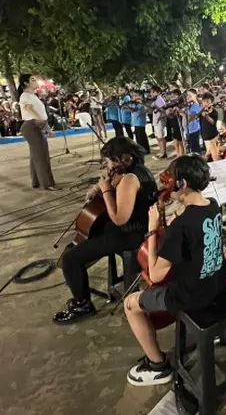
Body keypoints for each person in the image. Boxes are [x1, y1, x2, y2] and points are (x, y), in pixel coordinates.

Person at [123, 155, 226, 386]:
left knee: (130, 304)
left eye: (170, 180)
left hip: (193, 296)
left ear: (181, 185)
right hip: (218, 284)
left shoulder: (180, 226)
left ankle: (157, 366)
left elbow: (155, 274)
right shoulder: (213, 205)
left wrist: (152, 231)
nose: (166, 184)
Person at [54, 137, 157, 324]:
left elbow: (119, 218)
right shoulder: (140, 170)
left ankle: (82, 304)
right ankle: (81, 266)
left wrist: (106, 190)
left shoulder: (129, 180)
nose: (106, 165)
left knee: (70, 258)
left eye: (108, 160)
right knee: (91, 231)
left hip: (129, 234)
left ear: (119, 160)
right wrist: (98, 187)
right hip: (136, 228)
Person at [18, 74, 57, 190]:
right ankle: (47, 183)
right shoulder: (25, 96)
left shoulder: (33, 96)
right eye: (33, 80)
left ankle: (36, 181)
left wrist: (48, 128)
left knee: (36, 154)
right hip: (31, 126)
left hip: (36, 125)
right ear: (26, 83)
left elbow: (41, 115)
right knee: (41, 155)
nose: (35, 82)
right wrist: (38, 117)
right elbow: (29, 108)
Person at [198, 92, 221, 161]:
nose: (205, 103)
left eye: (207, 101)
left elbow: (213, 122)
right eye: (204, 101)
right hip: (205, 136)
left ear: (211, 102)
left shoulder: (214, 111)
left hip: (212, 136)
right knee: (209, 155)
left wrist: (206, 116)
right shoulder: (202, 111)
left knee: (214, 155)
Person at [149, 85, 169, 159]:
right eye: (151, 92)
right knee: (157, 137)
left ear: (158, 92)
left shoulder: (160, 99)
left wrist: (159, 118)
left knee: (161, 137)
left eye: (153, 92)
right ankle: (160, 151)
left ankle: (164, 152)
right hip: (155, 120)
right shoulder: (156, 100)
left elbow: (164, 111)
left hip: (159, 121)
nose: (151, 94)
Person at [181, 89, 202, 154]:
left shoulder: (195, 105)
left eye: (190, 95)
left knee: (195, 148)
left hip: (193, 130)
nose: (188, 97)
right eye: (187, 95)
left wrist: (181, 112)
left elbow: (189, 118)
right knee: (191, 147)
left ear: (195, 95)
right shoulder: (189, 105)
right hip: (189, 130)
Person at [165, 88, 185, 157]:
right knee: (175, 142)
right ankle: (178, 154)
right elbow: (169, 115)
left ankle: (181, 155)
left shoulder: (182, 104)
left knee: (180, 141)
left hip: (179, 123)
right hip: (173, 124)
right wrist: (169, 111)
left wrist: (177, 110)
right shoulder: (171, 104)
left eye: (174, 96)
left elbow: (181, 113)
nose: (172, 97)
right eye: (172, 95)